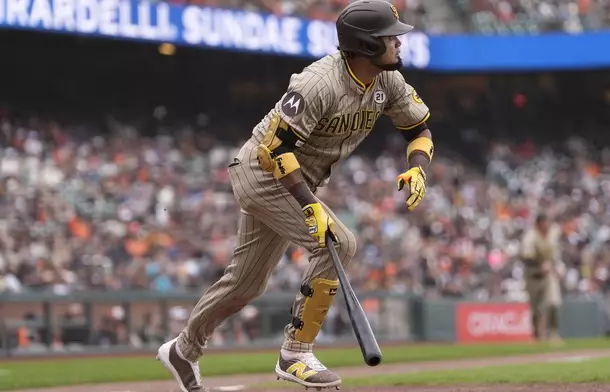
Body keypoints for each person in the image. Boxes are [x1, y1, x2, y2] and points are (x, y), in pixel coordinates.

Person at [156, 1, 435, 390]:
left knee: (246, 284)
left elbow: (418, 130)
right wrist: (309, 205)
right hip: (262, 171)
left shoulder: (388, 83)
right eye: (391, 37)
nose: (399, 42)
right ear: (367, 44)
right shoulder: (317, 83)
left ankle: (183, 349)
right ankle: (296, 352)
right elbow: (275, 150)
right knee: (339, 242)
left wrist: (418, 167)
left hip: (294, 179)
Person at [521, 213, 564, 344]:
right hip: (534, 274)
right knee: (536, 306)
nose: (546, 226)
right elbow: (525, 256)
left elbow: (556, 254)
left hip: (549, 272)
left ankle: (553, 333)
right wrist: (540, 265)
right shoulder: (531, 236)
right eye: (544, 223)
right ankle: (537, 335)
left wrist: (556, 267)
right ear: (538, 224)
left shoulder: (553, 234)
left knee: (553, 301)